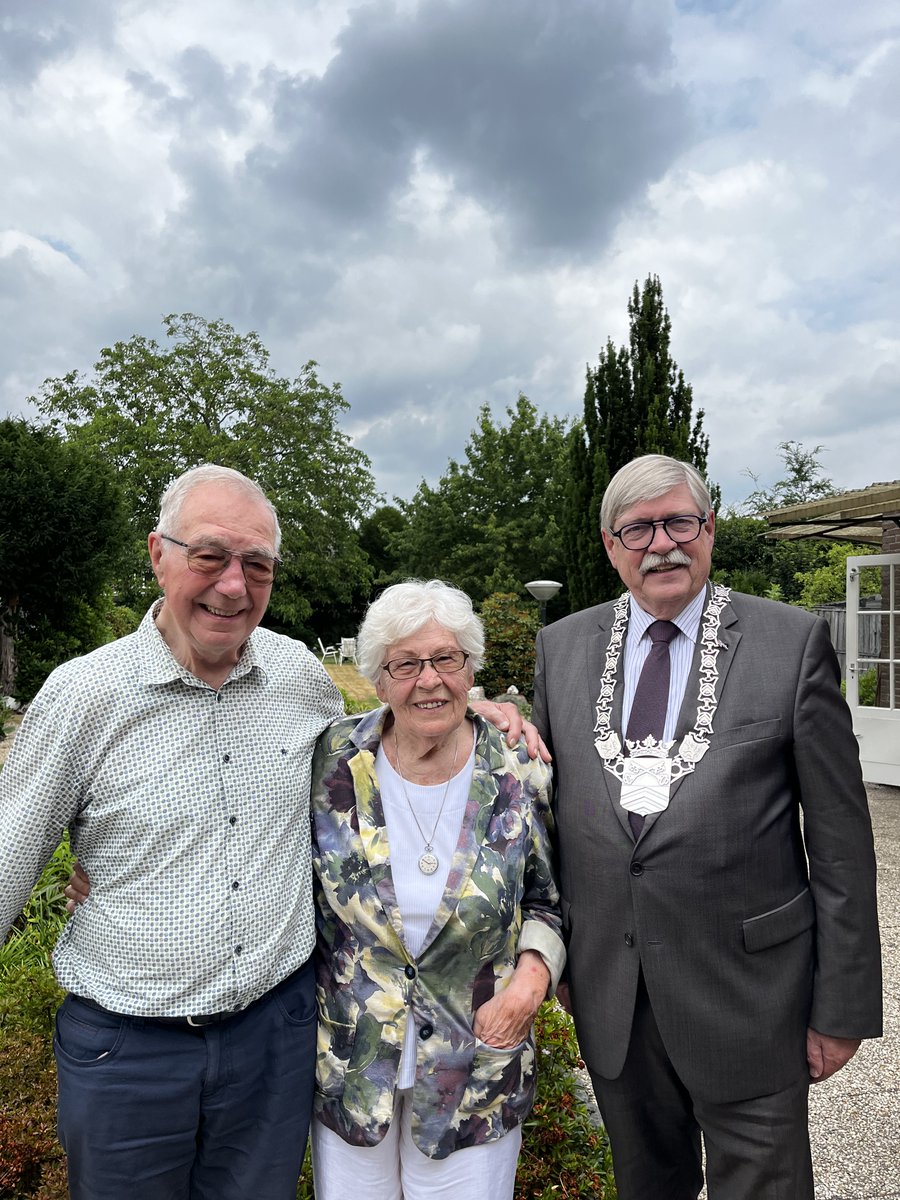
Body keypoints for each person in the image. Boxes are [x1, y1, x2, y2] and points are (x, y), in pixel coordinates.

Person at [0, 464, 534, 1200]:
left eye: (257, 565)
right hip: (130, 1052)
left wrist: (478, 705)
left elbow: (399, 719)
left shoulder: (298, 676)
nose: (233, 585)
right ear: (159, 554)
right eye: (210, 557)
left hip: (273, 1043)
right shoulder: (84, 696)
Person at [532, 453, 882, 1200]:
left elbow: (843, 846)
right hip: (615, 998)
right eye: (638, 529)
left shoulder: (788, 645)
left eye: (679, 521)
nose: (662, 543)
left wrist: (843, 1007)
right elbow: (543, 813)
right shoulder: (560, 649)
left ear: (710, 530)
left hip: (751, 1000)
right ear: (610, 545)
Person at [309, 579, 564, 1200]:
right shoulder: (333, 758)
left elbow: (548, 899)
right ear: (378, 677)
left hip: (476, 1065)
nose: (430, 680)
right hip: (352, 1065)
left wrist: (531, 983)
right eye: (406, 664)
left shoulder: (519, 765)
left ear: (470, 667)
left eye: (447, 659)